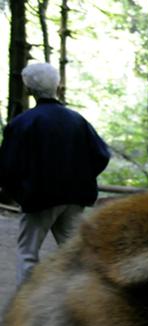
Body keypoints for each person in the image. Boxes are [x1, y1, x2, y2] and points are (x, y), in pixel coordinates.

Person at [0, 62, 110, 286]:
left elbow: (7, 167)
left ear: (29, 89)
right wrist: (81, 179)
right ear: (56, 86)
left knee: (28, 254)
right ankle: (81, 302)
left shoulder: (21, 124)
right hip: (75, 198)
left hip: (38, 199)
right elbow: (101, 155)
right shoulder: (76, 120)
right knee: (75, 254)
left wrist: (20, 192)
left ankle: (28, 306)